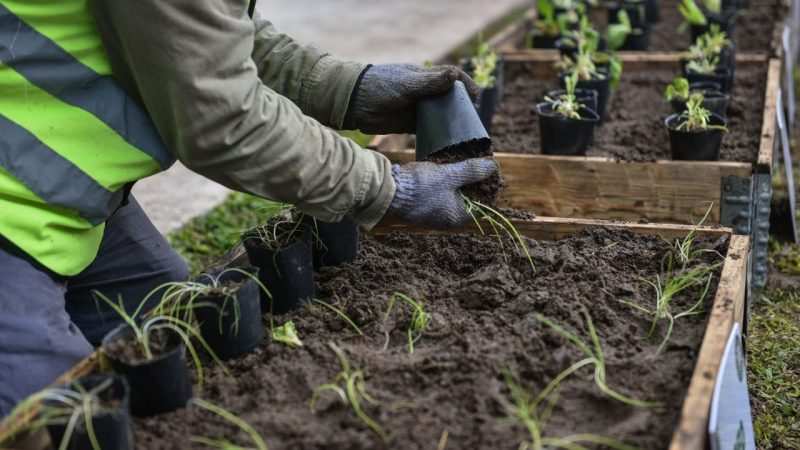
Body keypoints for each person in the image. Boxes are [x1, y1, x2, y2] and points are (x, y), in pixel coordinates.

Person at [0, 0, 498, 416]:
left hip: (64, 188)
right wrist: (390, 188)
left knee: (187, 331)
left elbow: (204, 37)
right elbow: (223, 122)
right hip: (14, 202)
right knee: (54, 419)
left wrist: (346, 89)